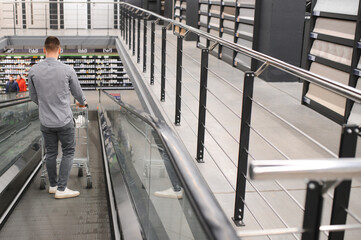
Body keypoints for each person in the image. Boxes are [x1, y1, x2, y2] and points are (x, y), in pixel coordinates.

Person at [29, 36, 87, 199]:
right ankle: (62, 188)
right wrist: (82, 102)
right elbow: (78, 94)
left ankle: (53, 186)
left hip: (46, 121)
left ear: (44, 50)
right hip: (64, 120)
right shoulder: (68, 70)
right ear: (59, 50)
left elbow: (32, 96)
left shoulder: (34, 70)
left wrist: (45, 105)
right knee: (68, 152)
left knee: (51, 153)